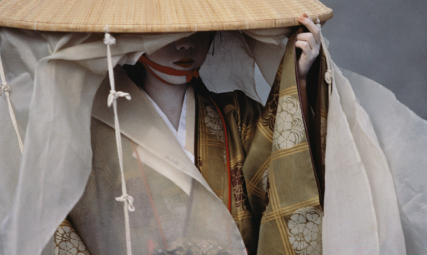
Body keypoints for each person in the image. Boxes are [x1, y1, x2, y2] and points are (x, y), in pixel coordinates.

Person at [56, 15, 326, 254]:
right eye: (168, 30)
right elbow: (65, 221)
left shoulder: (237, 115)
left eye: (198, 28)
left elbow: (283, 178)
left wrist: (296, 80)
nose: (185, 43)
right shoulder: (96, 129)